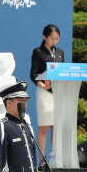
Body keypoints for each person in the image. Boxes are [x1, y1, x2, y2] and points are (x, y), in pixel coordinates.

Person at [29, 24, 64, 158]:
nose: (54, 41)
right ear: (45, 37)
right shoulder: (38, 52)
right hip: (45, 92)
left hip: (58, 93)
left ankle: (56, 158)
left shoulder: (60, 52)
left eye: (57, 39)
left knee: (56, 126)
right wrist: (44, 86)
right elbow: (33, 74)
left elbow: (63, 72)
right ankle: (42, 160)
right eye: (52, 38)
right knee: (44, 126)